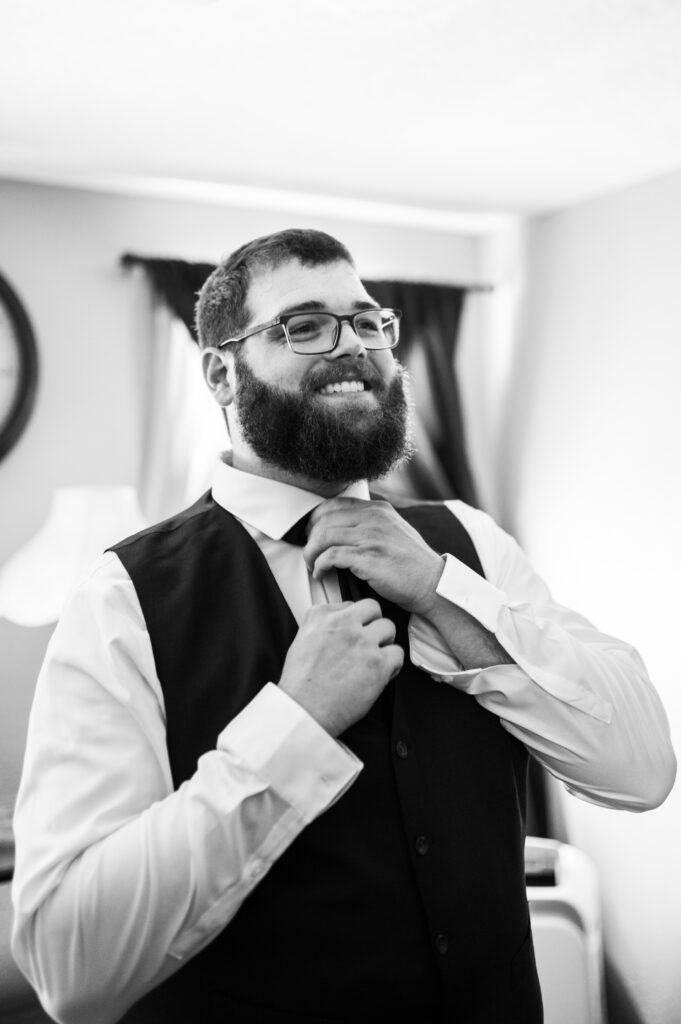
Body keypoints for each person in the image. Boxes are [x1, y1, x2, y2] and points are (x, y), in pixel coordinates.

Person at [11, 228, 676, 1024]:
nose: (353, 346)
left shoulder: (469, 544)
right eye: (304, 326)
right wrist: (292, 725)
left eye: (368, 323)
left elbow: (641, 770)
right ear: (221, 373)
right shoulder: (123, 599)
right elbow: (67, 964)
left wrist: (442, 593)